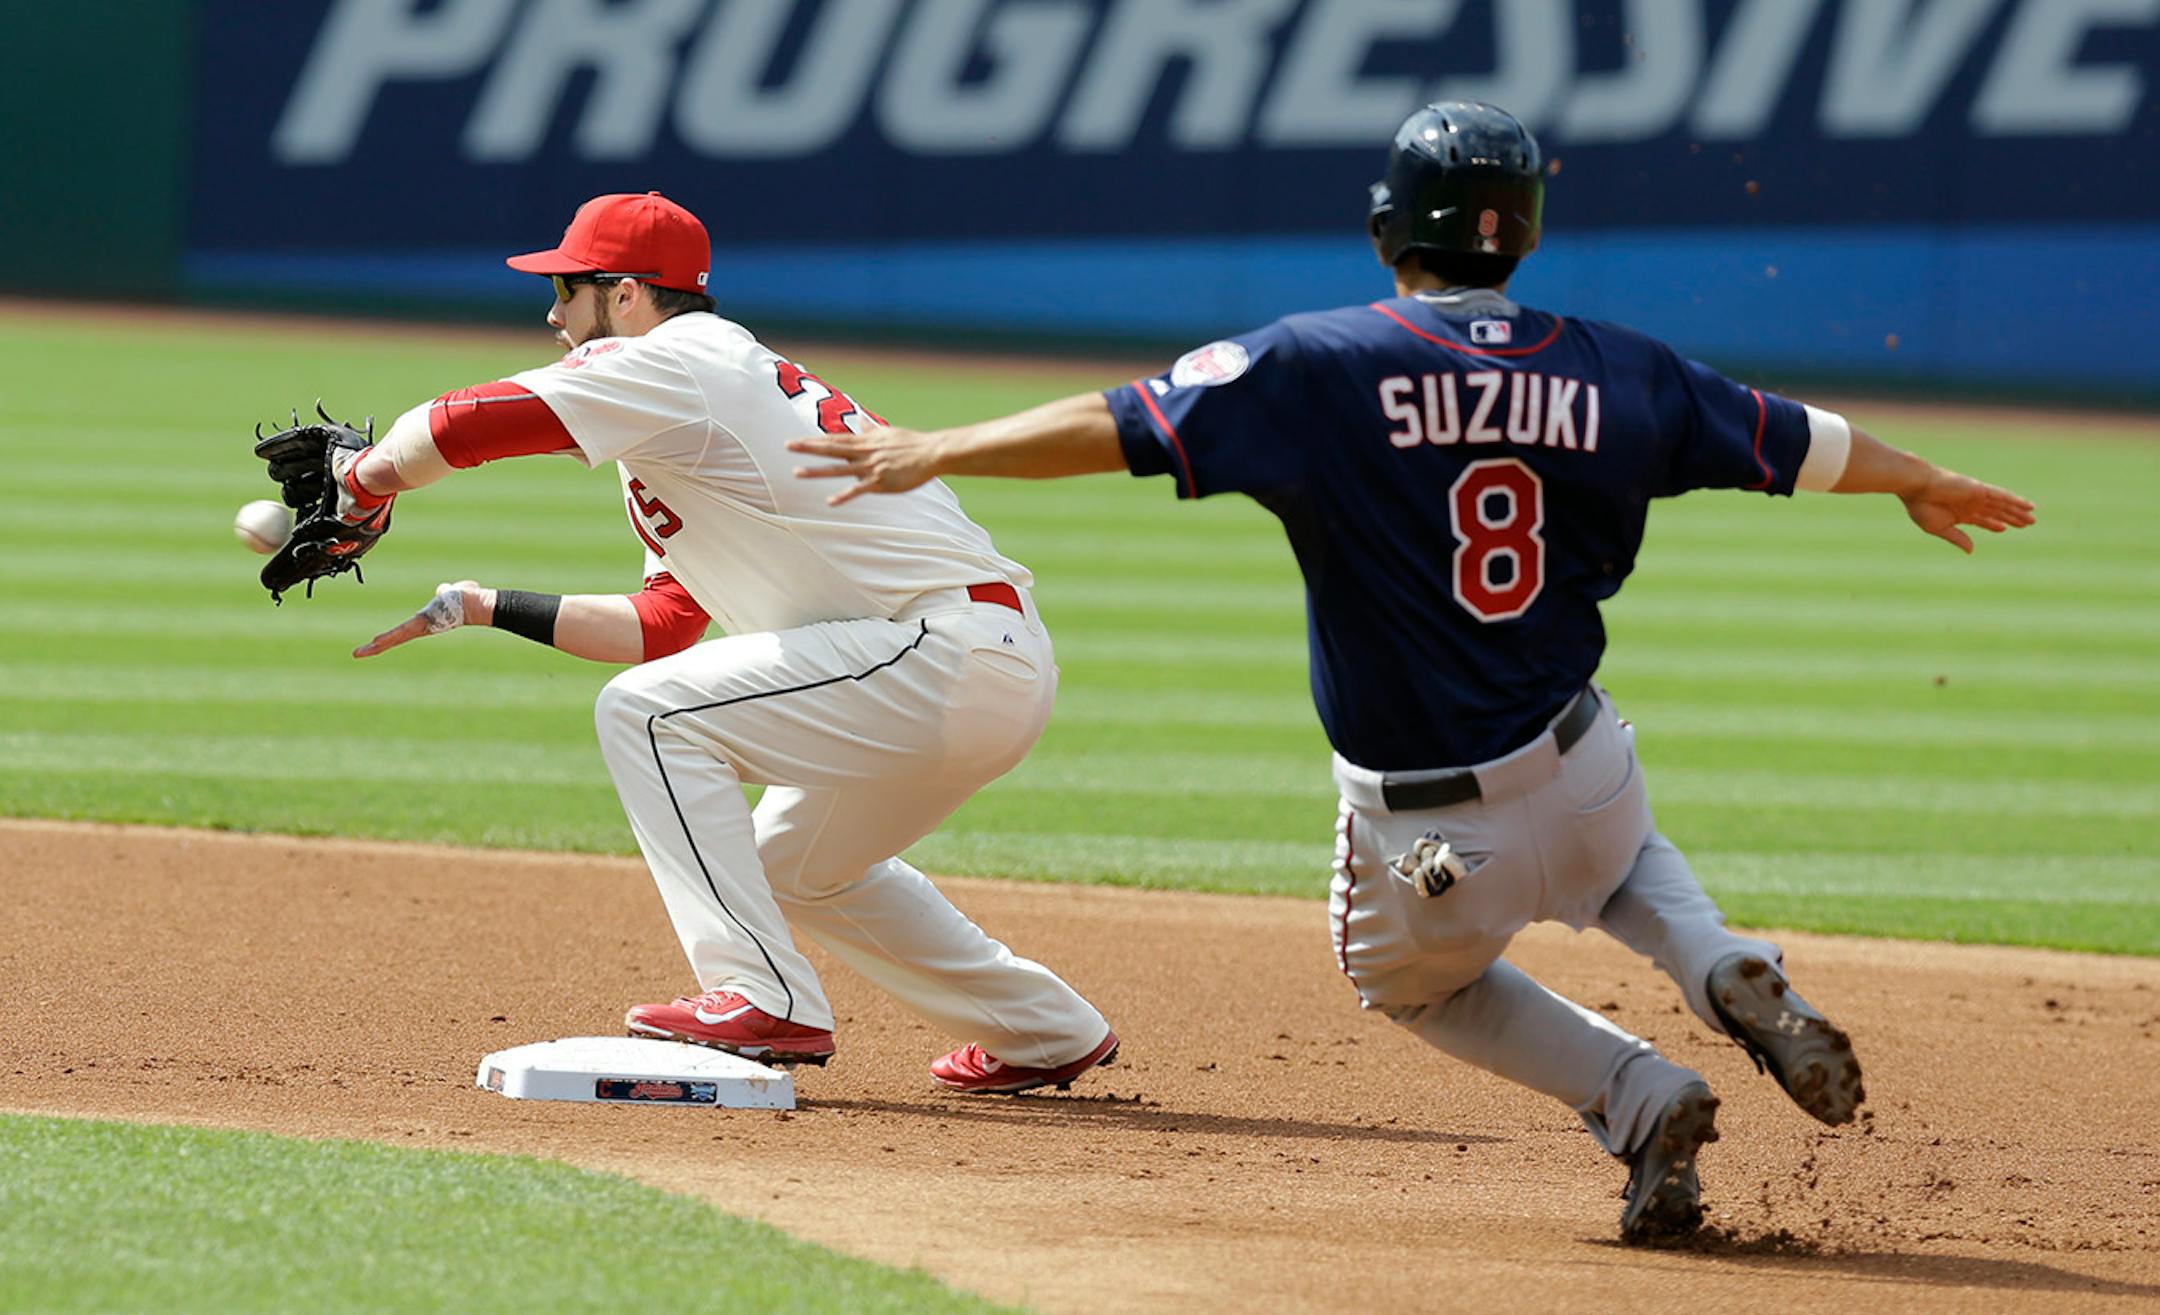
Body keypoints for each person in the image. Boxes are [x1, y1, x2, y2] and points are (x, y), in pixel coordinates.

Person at [784, 104, 2036, 1237]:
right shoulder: (1621, 366)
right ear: (1527, 235)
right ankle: (1713, 961)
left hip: (1431, 827)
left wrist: (937, 444)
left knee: (1406, 982)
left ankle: (1641, 1088)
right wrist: (1921, 478)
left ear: (1388, 231)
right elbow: (1798, 442)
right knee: (1621, 862)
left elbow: (1121, 424)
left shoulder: (1321, 362)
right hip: (1583, 758)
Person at [337, 190, 1119, 1095]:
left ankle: (760, 994)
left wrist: (362, 483)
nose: (553, 314)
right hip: (966, 661)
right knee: (795, 864)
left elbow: (461, 424)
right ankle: (1044, 1027)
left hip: (938, 647)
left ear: (627, 295)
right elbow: (661, 624)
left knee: (650, 719)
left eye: (567, 289)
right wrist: (478, 604)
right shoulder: (687, 408)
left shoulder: (682, 361)